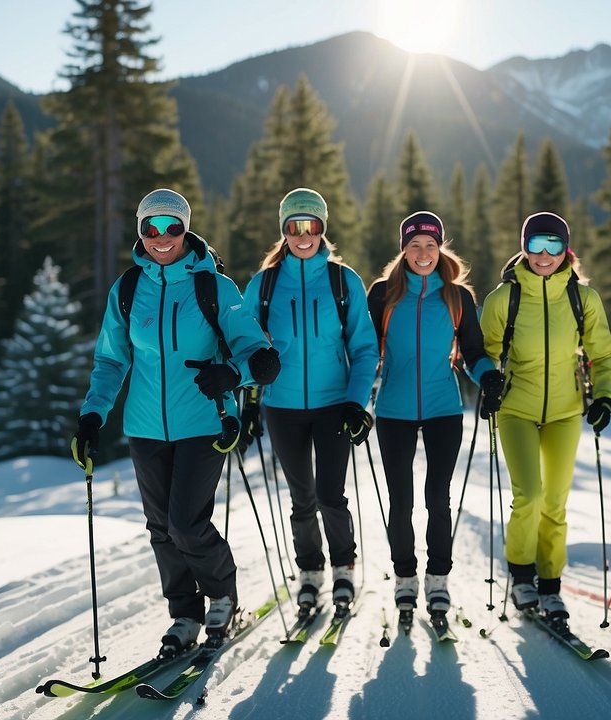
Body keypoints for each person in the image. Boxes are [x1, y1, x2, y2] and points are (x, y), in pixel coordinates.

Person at [71, 189, 280, 657]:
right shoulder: (126, 290)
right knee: (161, 527)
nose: (161, 238)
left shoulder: (214, 288)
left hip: (202, 422)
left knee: (187, 523)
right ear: (140, 233)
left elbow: (257, 354)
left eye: (172, 227)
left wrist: (232, 373)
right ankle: (185, 614)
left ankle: (222, 595)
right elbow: (110, 361)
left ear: (185, 230)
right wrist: (91, 415)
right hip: (144, 427)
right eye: (151, 228)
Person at [242, 188, 379, 612]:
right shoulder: (264, 285)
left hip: (334, 404)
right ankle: (310, 573)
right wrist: (247, 403)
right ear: (284, 231)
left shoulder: (343, 280)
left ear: (323, 229)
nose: (303, 235)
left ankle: (343, 570)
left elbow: (364, 349)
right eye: (294, 227)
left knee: (331, 495)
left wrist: (357, 402)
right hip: (282, 407)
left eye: (312, 226)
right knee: (301, 497)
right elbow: (243, 345)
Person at [479, 212, 611, 619]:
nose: (544, 255)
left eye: (553, 245)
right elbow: (483, 352)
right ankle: (522, 578)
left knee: (555, 502)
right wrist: (487, 382)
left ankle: (550, 584)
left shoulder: (582, 299)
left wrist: (605, 397)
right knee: (530, 496)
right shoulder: (503, 298)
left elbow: (603, 355)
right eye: (536, 245)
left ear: (566, 250)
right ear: (523, 248)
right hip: (516, 409)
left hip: (565, 410)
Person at [367, 211, 498, 622]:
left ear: (440, 247)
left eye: (430, 245)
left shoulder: (457, 296)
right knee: (401, 500)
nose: (423, 253)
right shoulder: (382, 293)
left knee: (437, 498)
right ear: (403, 249)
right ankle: (405, 578)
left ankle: (438, 580)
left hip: (443, 408)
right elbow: (365, 350)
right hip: (393, 410)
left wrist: (489, 376)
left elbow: (473, 352)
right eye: (414, 245)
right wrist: (353, 398)